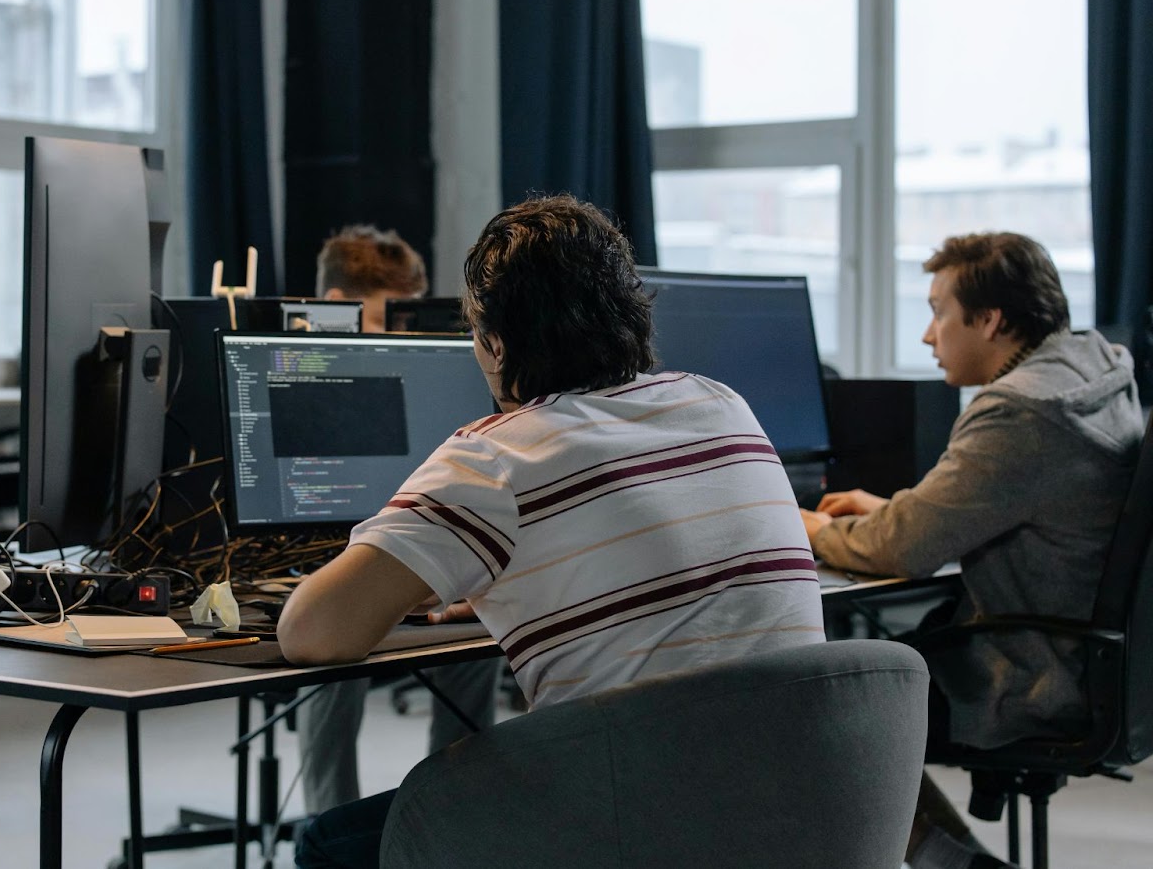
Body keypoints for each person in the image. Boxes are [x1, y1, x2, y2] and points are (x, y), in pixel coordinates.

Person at [282, 197, 824, 867]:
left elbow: (311, 631)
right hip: (795, 808)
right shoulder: (722, 403)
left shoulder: (496, 458)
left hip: (634, 822)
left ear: (496, 343)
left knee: (329, 844)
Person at [803, 231, 1142, 869]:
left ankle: (954, 864)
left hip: (1030, 674)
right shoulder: (1093, 371)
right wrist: (893, 510)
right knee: (860, 686)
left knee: (823, 700)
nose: (929, 336)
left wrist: (805, 526)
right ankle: (958, 859)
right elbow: (1022, 503)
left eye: (938, 313)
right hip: (1093, 661)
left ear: (989, 321)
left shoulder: (1021, 412)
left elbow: (903, 551)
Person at [293, 224, 503, 816]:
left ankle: (459, 819)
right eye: (391, 317)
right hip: (325, 549)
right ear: (339, 307)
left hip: (414, 542)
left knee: (477, 638)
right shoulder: (297, 369)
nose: (403, 335)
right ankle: (327, 826)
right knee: (336, 655)